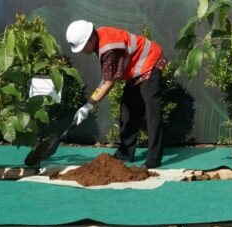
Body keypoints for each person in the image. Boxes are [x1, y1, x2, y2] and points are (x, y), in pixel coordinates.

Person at [65, 20, 166, 167]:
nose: (81, 51)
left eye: (82, 46)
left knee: (152, 114)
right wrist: (88, 105)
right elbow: (108, 77)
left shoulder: (108, 49)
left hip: (150, 61)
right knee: (128, 110)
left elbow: (109, 83)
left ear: (91, 39)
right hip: (136, 69)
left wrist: (88, 106)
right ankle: (125, 154)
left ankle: (154, 158)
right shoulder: (99, 39)